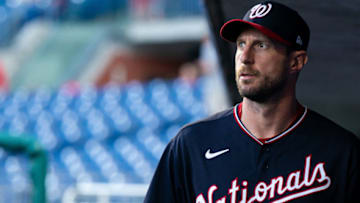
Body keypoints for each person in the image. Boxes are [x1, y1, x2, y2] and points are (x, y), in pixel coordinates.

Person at [144, 1, 360, 202]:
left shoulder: (341, 151)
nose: (245, 57)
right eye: (241, 44)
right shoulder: (192, 145)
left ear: (296, 61)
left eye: (261, 45)